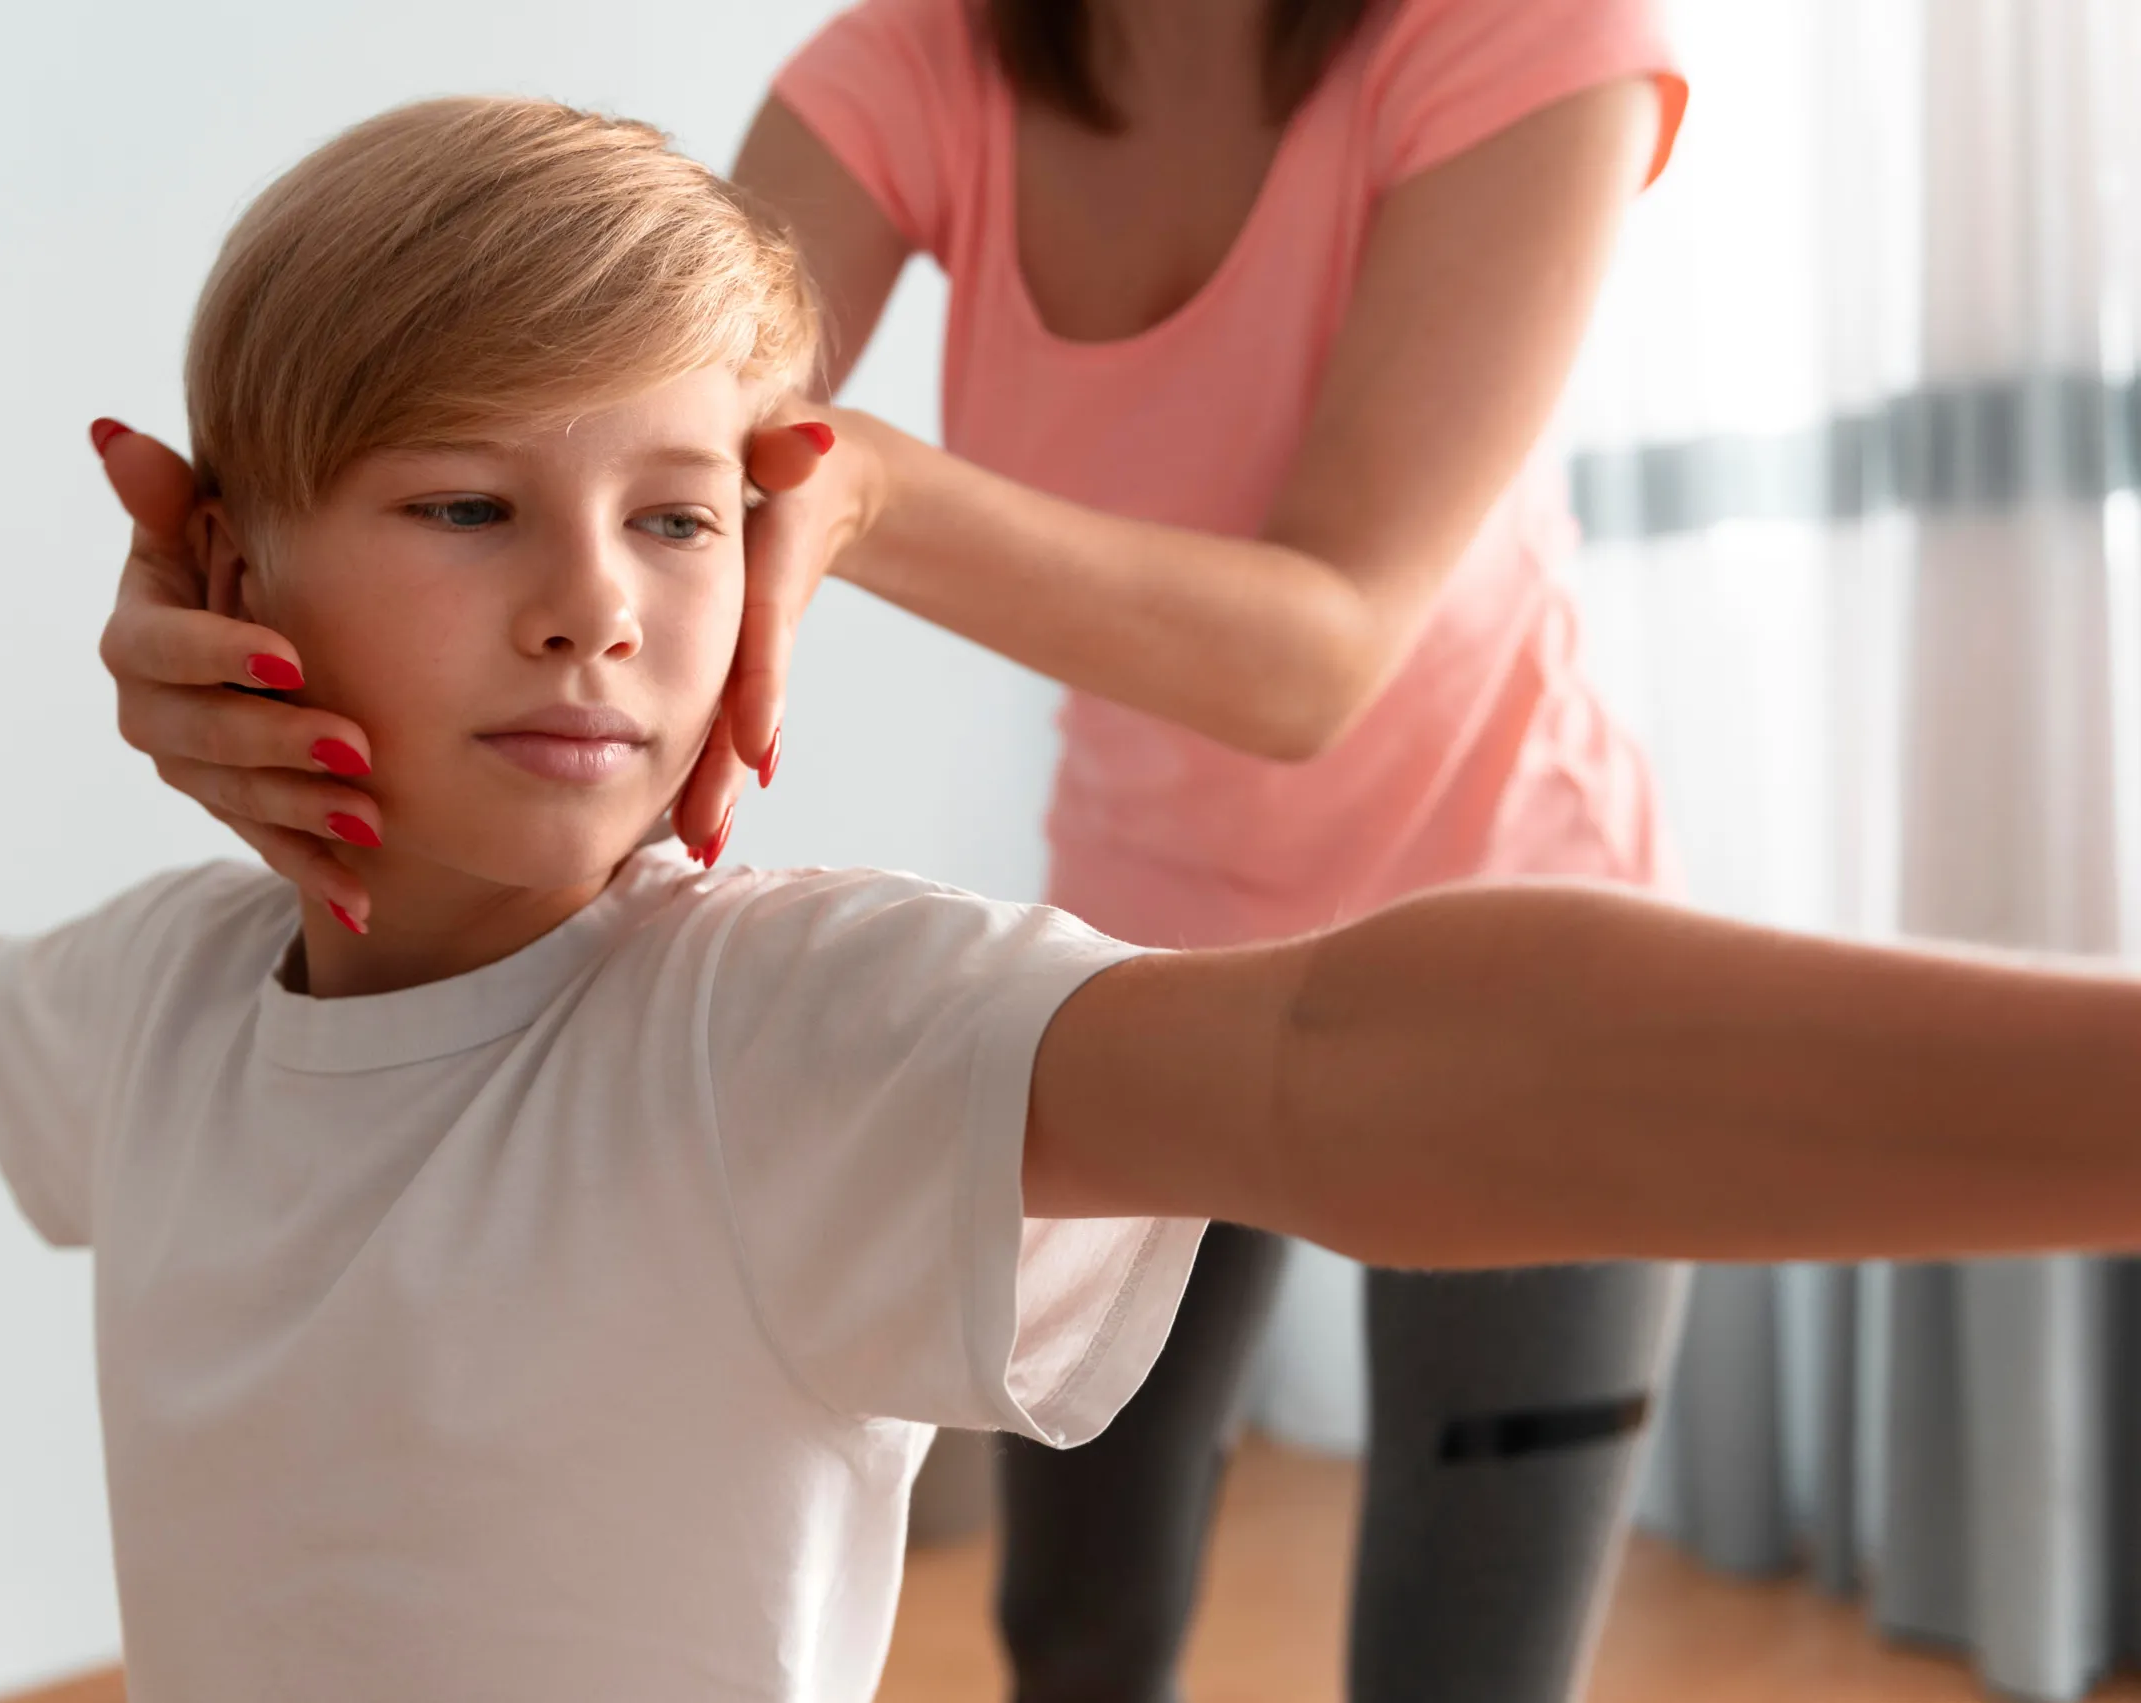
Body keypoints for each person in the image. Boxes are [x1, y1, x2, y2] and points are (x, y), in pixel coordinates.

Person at [0, 90, 2141, 1703]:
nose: (601, 598)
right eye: (470, 506)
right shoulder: (154, 999)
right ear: (215, 546)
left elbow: (1318, 1058)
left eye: (683, 516)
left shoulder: (778, 1029)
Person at [99, 1, 1698, 1696]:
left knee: (1477, 1665)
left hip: (1507, 914)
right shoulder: (924, 65)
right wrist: (229, 593)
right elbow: (616, 393)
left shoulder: (1530, 34)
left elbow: (1317, 657)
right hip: (1147, 940)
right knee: (1080, 1632)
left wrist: (868, 488)